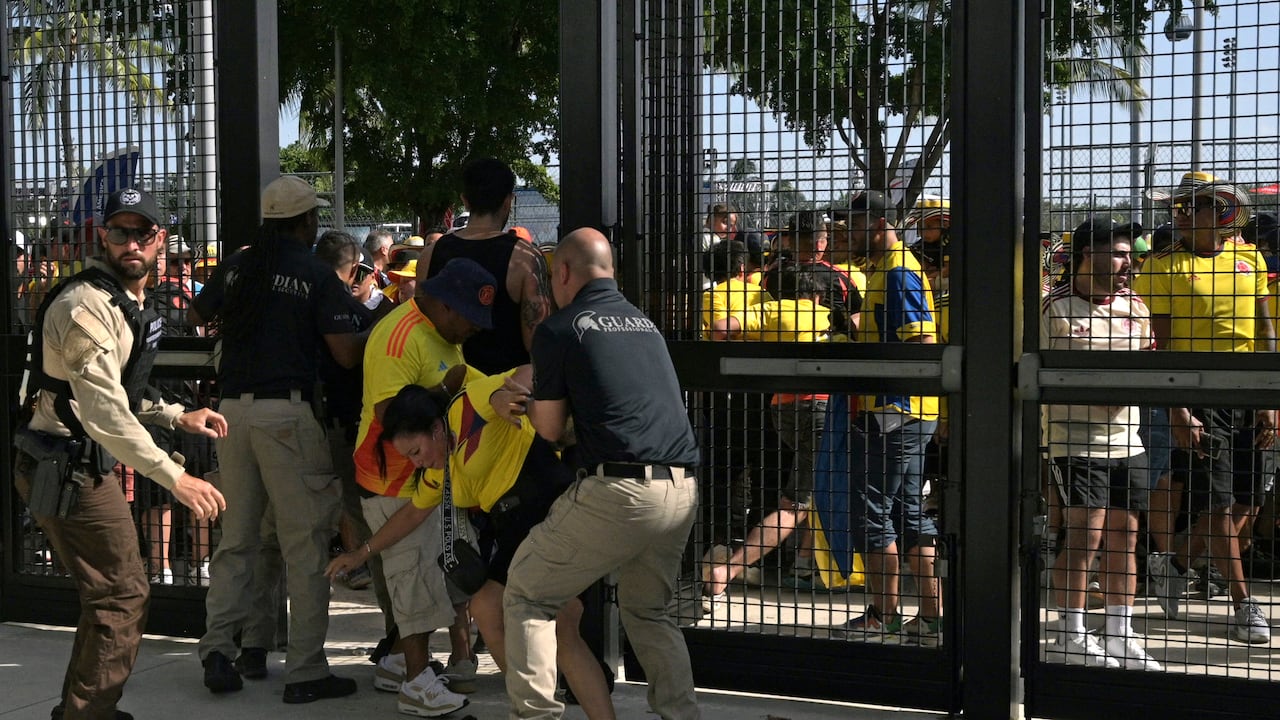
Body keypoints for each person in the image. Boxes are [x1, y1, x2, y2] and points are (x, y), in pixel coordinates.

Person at [14, 187, 227, 719]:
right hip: (67, 466)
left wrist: (177, 416)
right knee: (122, 596)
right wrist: (173, 474)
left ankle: (83, 711)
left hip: (82, 461)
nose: (132, 242)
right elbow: (103, 413)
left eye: (143, 232)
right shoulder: (86, 305)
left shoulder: (125, 301)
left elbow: (122, 393)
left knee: (109, 596)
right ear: (103, 238)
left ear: (160, 240)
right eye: (120, 232)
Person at [327, 377, 615, 719]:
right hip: (517, 530)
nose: (416, 463)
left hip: (550, 510)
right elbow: (413, 513)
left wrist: (503, 398)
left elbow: (526, 370)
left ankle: (545, 711)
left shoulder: (466, 406)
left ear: (436, 429)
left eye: (416, 452)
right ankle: (530, 707)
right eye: (408, 457)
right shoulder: (438, 471)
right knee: (490, 607)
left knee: (562, 628)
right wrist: (361, 553)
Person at [502, 227, 701, 720]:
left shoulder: (560, 329)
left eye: (553, 277)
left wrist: (513, 403)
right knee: (649, 612)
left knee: (527, 593)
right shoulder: (645, 324)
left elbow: (548, 429)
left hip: (620, 491)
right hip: (682, 490)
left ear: (563, 273)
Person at [192, 175, 367, 702]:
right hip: (286, 417)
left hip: (231, 415)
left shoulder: (242, 264)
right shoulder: (313, 271)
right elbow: (344, 353)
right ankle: (307, 671)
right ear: (308, 222)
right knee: (305, 545)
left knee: (239, 541)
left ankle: (219, 649)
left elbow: (199, 312)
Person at [1131, 171, 1275, 644]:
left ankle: (1173, 563)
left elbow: (1265, 326)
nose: (1184, 215)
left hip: (1250, 391)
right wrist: (1176, 408)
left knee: (1248, 502)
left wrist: (1271, 396)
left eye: (1195, 206)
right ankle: (1243, 604)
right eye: (1181, 207)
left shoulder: (1248, 255)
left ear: (1223, 211)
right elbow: (1162, 346)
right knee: (1217, 503)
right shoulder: (1162, 265)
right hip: (1196, 394)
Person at [350, 257, 496, 718]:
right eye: (469, 322)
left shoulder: (441, 333)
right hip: (392, 480)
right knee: (411, 577)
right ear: (446, 305)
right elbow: (390, 416)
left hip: (428, 479)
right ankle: (415, 682)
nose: (472, 332)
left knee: (435, 569)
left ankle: (399, 661)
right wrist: (447, 395)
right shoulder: (399, 336)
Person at [1041, 217, 1160, 670]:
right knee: (1084, 536)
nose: (1128, 262)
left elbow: (1149, 366)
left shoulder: (1136, 306)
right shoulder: (1055, 308)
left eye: (1130, 255)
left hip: (1128, 440)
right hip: (1073, 441)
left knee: (1125, 537)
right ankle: (1070, 633)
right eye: (1119, 253)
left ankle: (1119, 632)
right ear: (1087, 254)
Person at [834, 190, 942, 644]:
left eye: (854, 225)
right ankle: (934, 616)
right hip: (903, 411)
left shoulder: (898, 271)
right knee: (908, 513)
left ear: (878, 224)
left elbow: (918, 345)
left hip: (895, 411)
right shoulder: (884, 270)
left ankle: (884, 613)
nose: (847, 233)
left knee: (872, 511)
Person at [420, 157, 554, 375]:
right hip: (505, 395)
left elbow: (420, 327)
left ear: (465, 200)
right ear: (508, 201)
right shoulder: (525, 258)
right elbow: (538, 343)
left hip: (445, 392)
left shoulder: (430, 254)